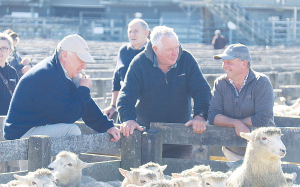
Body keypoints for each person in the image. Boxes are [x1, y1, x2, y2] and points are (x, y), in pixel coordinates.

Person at [4, 34, 121, 142]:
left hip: (37, 127)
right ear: (64, 55)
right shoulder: (47, 74)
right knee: (72, 130)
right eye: (81, 59)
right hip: (22, 133)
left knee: (70, 131)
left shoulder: (60, 71)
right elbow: (68, 116)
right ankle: (67, 165)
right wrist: (84, 89)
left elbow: (86, 104)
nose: (84, 65)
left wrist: (107, 126)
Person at [117, 26, 211, 159]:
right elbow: (127, 94)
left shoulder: (187, 60)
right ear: (155, 49)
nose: (175, 53)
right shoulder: (139, 63)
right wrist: (129, 119)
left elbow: (202, 90)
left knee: (177, 177)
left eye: (176, 47)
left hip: (179, 137)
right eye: (169, 49)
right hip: (146, 137)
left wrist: (200, 115)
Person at [208, 43, 275, 161]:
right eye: (223, 62)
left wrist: (236, 123)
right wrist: (236, 123)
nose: (224, 66)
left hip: (262, 151)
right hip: (232, 151)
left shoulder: (261, 82)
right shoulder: (220, 83)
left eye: (229, 62)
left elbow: (262, 119)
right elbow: (213, 116)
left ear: (244, 63)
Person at [103, 19, 150, 119]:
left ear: (146, 33)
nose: (132, 34)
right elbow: (117, 79)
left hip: (146, 108)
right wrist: (113, 105)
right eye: (130, 31)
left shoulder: (153, 51)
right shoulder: (123, 50)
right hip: (125, 105)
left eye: (136, 31)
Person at [0, 33, 19, 115]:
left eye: (3, 48)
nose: (0, 51)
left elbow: (17, 95)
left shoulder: (12, 71)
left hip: (8, 118)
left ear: (10, 51)